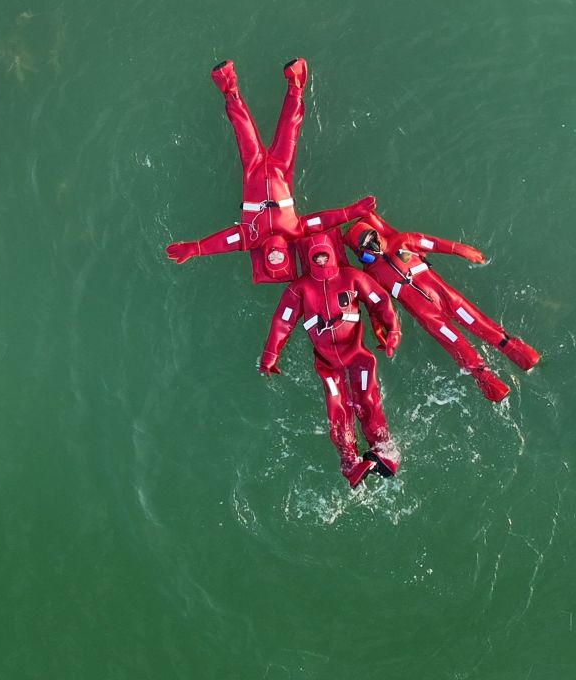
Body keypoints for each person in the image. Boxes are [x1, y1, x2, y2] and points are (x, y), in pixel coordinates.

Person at [165, 58, 373, 283]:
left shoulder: (249, 239)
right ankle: (295, 84)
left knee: (243, 131)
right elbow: (322, 221)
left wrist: (195, 248)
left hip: (253, 169)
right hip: (281, 170)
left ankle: (228, 86)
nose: (274, 255)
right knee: (290, 127)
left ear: (263, 259)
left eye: (270, 260)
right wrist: (351, 212)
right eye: (279, 259)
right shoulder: (295, 232)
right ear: (287, 255)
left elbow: (224, 241)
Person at [343, 213, 539, 402]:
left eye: (370, 237)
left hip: (448, 298)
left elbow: (432, 243)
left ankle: (522, 354)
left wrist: (460, 249)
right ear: (359, 251)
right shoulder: (371, 274)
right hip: (429, 316)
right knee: (459, 346)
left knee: (481, 325)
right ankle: (489, 383)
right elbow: (375, 301)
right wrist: (379, 326)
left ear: (375, 233)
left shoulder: (402, 241)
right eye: (364, 244)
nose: (371, 244)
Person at [259, 233, 403, 488]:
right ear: (310, 259)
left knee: (367, 398)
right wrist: (271, 354)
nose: (322, 260)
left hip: (357, 355)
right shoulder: (300, 288)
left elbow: (379, 300)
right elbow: (283, 321)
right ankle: (350, 463)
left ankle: (383, 450)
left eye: (325, 254)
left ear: (333, 253)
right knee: (337, 408)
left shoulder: (352, 277)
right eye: (317, 256)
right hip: (327, 363)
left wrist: (393, 330)